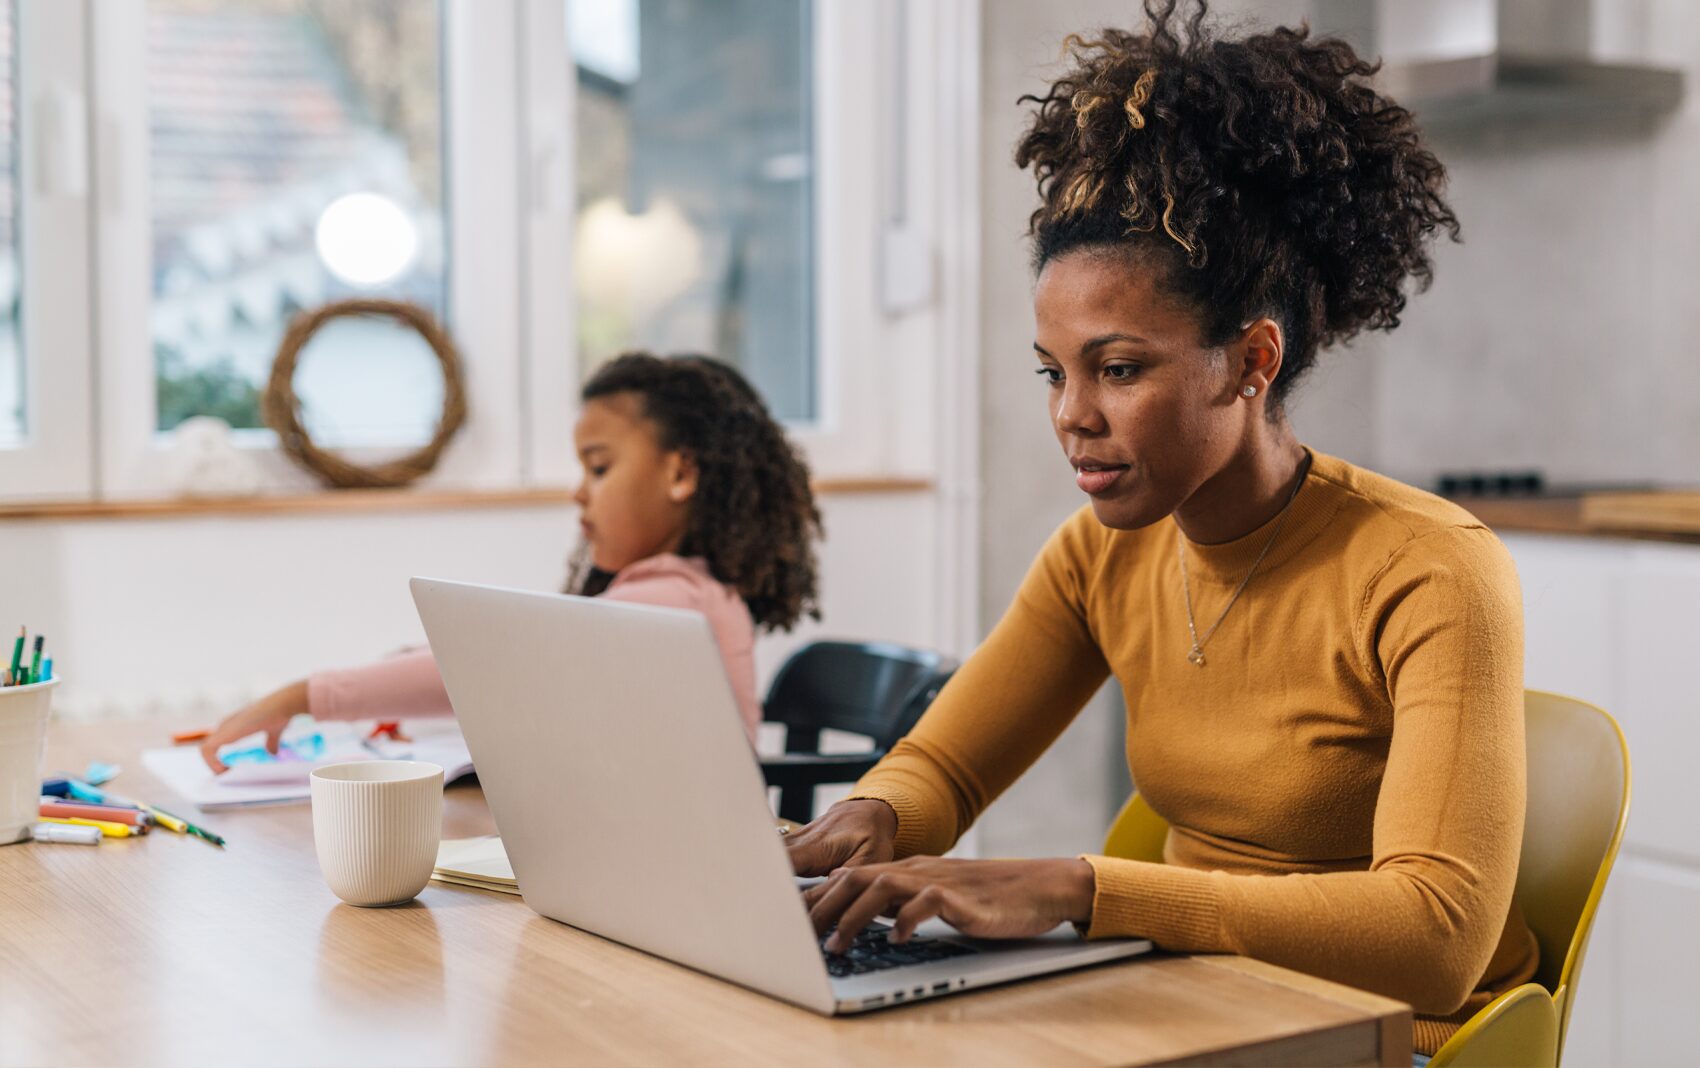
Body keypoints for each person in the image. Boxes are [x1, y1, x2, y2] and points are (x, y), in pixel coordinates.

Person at [788, 2, 1535, 1057]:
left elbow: (1435, 936)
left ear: (1250, 360)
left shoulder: (1427, 570)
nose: (1070, 414)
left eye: (1119, 368)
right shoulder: (1102, 551)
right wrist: (866, 817)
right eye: (1054, 372)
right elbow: (946, 770)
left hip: (1388, 1035)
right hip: (1190, 1004)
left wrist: (1078, 888)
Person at [200, 352, 822, 771]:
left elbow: (499, 658)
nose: (581, 491)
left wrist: (304, 695)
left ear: (681, 472)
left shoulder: (676, 601)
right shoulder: (663, 597)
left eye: (599, 467)